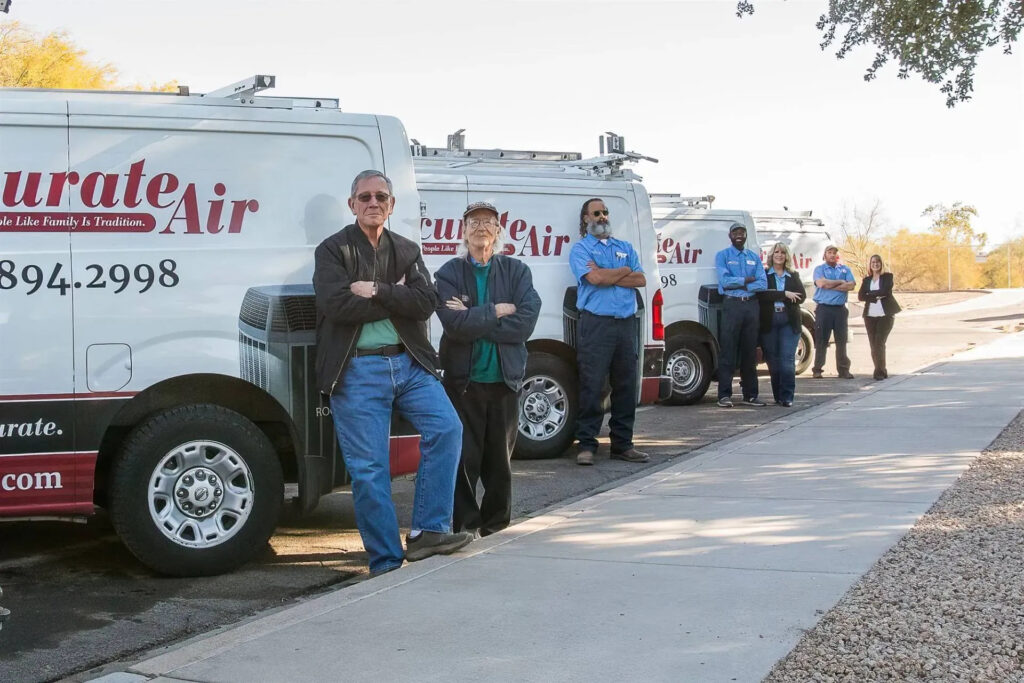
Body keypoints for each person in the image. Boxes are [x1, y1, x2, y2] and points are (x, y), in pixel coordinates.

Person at [313, 169, 472, 576]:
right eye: (364, 197)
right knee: (370, 469)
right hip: (357, 369)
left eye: (381, 197)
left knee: (447, 429)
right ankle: (386, 561)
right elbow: (337, 306)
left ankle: (428, 532)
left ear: (391, 204)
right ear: (352, 204)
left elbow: (425, 302)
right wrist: (398, 294)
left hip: (410, 363)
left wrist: (377, 289)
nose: (373, 203)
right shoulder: (332, 251)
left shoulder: (406, 248)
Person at [435, 201, 541, 537]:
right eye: (474, 222)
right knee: (464, 459)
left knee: (499, 462)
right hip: (463, 383)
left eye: (488, 222)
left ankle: (496, 525)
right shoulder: (449, 273)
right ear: (463, 231)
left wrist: (474, 315)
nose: (481, 227)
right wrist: (496, 310)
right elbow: (454, 327)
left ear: (498, 231)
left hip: (503, 381)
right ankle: (466, 525)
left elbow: (524, 324)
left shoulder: (517, 271)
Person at [569, 198, 650, 466]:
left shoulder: (624, 247)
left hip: (625, 325)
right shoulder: (580, 249)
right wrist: (623, 271)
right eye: (596, 213)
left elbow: (641, 279)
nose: (602, 217)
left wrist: (611, 273)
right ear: (585, 219)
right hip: (596, 325)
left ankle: (623, 445)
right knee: (592, 385)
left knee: (625, 385)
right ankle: (587, 445)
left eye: (605, 212)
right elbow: (594, 279)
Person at [714, 222, 768, 408]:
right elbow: (724, 281)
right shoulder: (723, 256)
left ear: (746, 236)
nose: (739, 235)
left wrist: (743, 284)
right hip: (732, 306)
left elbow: (762, 283)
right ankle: (724, 395)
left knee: (749, 352)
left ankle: (751, 395)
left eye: (742, 232)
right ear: (730, 236)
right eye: (735, 232)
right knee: (728, 351)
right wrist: (745, 280)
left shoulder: (753, 257)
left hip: (751, 307)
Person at [757, 243, 805, 407]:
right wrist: (785, 294)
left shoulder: (793, 275)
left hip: (788, 321)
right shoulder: (764, 274)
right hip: (769, 321)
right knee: (773, 361)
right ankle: (777, 395)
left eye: (783, 252)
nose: (779, 255)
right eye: (776, 252)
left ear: (787, 256)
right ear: (771, 255)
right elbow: (762, 295)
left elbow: (801, 297)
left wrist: (778, 296)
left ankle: (787, 396)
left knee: (787, 359)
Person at [811, 244, 857, 379]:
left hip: (840, 310)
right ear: (824, 255)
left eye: (834, 253)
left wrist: (830, 285)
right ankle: (818, 369)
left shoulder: (844, 269)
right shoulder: (819, 269)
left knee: (841, 341)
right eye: (829, 252)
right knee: (821, 341)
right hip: (824, 309)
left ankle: (843, 370)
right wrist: (839, 282)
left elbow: (851, 285)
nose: (832, 255)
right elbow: (821, 284)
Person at [858, 253, 901, 380]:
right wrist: (875, 296)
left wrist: (869, 294)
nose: (875, 264)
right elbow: (861, 296)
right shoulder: (866, 280)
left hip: (885, 315)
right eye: (873, 262)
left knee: (879, 343)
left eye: (877, 262)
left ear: (881, 264)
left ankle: (879, 372)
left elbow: (885, 292)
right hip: (870, 315)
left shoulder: (887, 277)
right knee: (873, 344)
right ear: (870, 265)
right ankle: (880, 370)